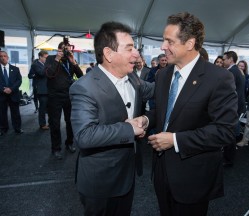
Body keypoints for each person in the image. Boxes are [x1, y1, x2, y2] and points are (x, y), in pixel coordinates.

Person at [145, 12, 238, 216]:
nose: (162, 46)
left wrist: (176, 140)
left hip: (193, 177)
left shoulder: (219, 78)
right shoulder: (163, 75)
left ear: (189, 43)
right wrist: (145, 119)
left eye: (169, 41)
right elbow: (165, 112)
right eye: (163, 40)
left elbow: (225, 131)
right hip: (161, 170)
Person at [69, 22, 154, 216]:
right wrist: (129, 130)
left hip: (127, 174)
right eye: (130, 48)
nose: (136, 55)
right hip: (100, 182)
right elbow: (85, 135)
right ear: (108, 54)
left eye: (136, 49)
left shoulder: (133, 78)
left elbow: (157, 89)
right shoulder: (85, 87)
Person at [44, 40, 83, 159]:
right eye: (65, 49)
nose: (67, 51)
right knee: (55, 123)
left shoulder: (70, 60)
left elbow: (81, 76)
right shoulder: (51, 58)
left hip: (68, 95)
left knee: (70, 122)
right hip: (54, 96)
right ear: (59, 49)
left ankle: (69, 143)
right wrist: (57, 59)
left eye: (69, 49)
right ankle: (56, 148)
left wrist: (74, 63)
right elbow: (49, 74)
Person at [222, 51, 246, 166]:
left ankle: (228, 159)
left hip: (232, 107)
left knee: (229, 133)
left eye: (224, 59)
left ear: (230, 59)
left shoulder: (232, 72)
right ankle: (228, 157)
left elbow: (228, 91)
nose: (223, 61)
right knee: (229, 133)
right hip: (235, 106)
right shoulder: (237, 71)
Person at [0, 50, 23, 136]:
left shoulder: (15, 69)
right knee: (2, 113)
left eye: (4, 56)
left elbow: (19, 80)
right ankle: (3, 129)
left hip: (13, 94)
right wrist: (3, 89)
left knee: (16, 112)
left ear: (8, 57)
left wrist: (11, 89)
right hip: (1, 95)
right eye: (1, 56)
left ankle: (17, 128)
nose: (3, 58)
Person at [28, 50, 49, 130]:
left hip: (48, 88)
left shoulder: (44, 64)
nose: (46, 59)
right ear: (40, 57)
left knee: (49, 107)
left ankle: (50, 123)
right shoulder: (35, 65)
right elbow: (41, 73)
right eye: (45, 57)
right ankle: (42, 124)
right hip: (41, 89)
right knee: (42, 108)